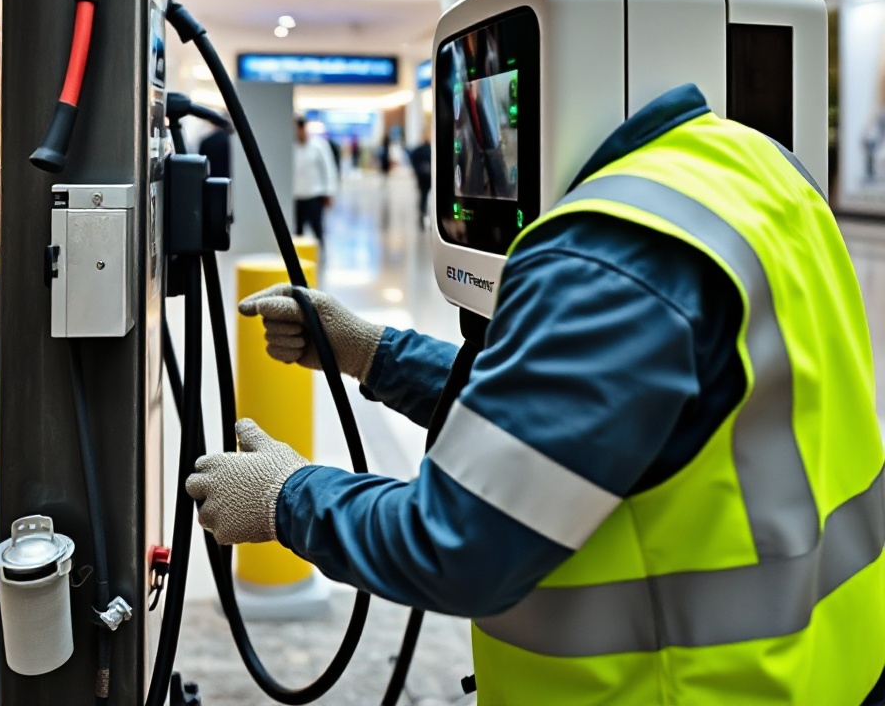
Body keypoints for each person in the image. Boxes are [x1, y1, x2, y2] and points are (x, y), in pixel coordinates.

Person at [187, 85, 885, 705]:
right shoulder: (748, 166)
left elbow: (456, 545)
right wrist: (374, 352)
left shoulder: (608, 251)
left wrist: (288, 499)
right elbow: (576, 418)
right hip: (826, 668)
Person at [292, 115, 337, 246]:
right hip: (297, 195)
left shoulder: (319, 145)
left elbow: (329, 169)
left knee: (317, 227)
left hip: (314, 195)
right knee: (298, 230)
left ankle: (320, 252)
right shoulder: (292, 146)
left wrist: (329, 192)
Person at [408, 131, 432, 230]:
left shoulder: (418, 150)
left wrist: (416, 169)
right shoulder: (430, 150)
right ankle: (425, 215)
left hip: (421, 176)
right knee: (427, 196)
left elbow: (412, 158)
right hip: (428, 177)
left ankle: (423, 214)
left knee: (423, 196)